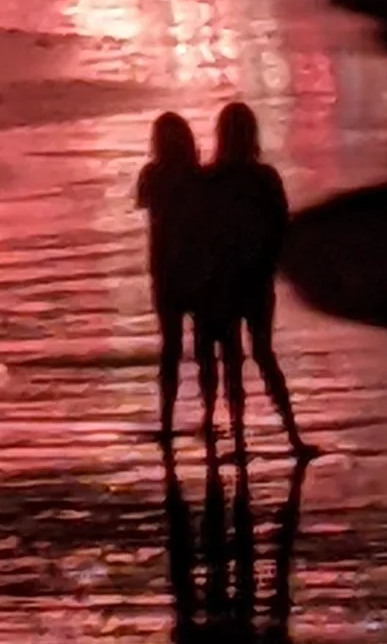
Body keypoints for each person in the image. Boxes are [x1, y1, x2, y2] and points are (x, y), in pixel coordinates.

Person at [198, 100, 317, 459]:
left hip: (223, 280)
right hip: (257, 277)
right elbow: (281, 226)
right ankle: (292, 435)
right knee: (264, 355)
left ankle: (236, 440)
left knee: (231, 358)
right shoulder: (264, 177)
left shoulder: (210, 179)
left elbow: (200, 234)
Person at [134, 110, 213, 443]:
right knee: (204, 347)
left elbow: (145, 204)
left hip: (166, 270)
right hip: (199, 269)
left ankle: (166, 420)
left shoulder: (152, 175)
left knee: (171, 348)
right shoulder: (200, 176)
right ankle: (208, 416)